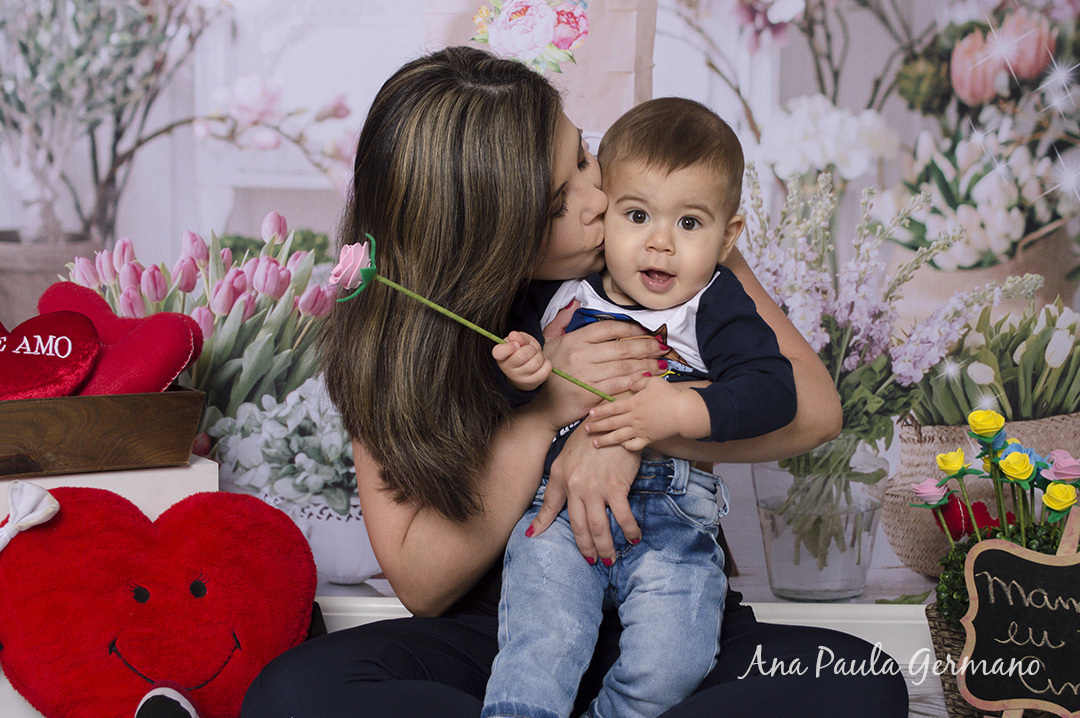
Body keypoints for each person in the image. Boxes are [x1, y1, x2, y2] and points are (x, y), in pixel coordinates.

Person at [241, 46, 908, 718]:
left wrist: (622, 431)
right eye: (562, 199)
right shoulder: (392, 335)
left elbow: (813, 408)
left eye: (584, 156)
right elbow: (423, 583)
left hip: (669, 609)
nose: (600, 198)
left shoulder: (664, 245)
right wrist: (547, 412)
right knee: (293, 695)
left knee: (860, 681)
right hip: (507, 634)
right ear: (491, 236)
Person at [484, 97, 797, 718]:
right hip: (559, 516)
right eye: (637, 215)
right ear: (605, 214)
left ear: (728, 236)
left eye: (689, 223)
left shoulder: (713, 302)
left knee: (672, 662)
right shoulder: (560, 292)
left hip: (674, 522)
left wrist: (676, 412)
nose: (660, 243)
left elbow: (773, 390)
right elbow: (499, 400)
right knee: (540, 645)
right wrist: (522, 373)